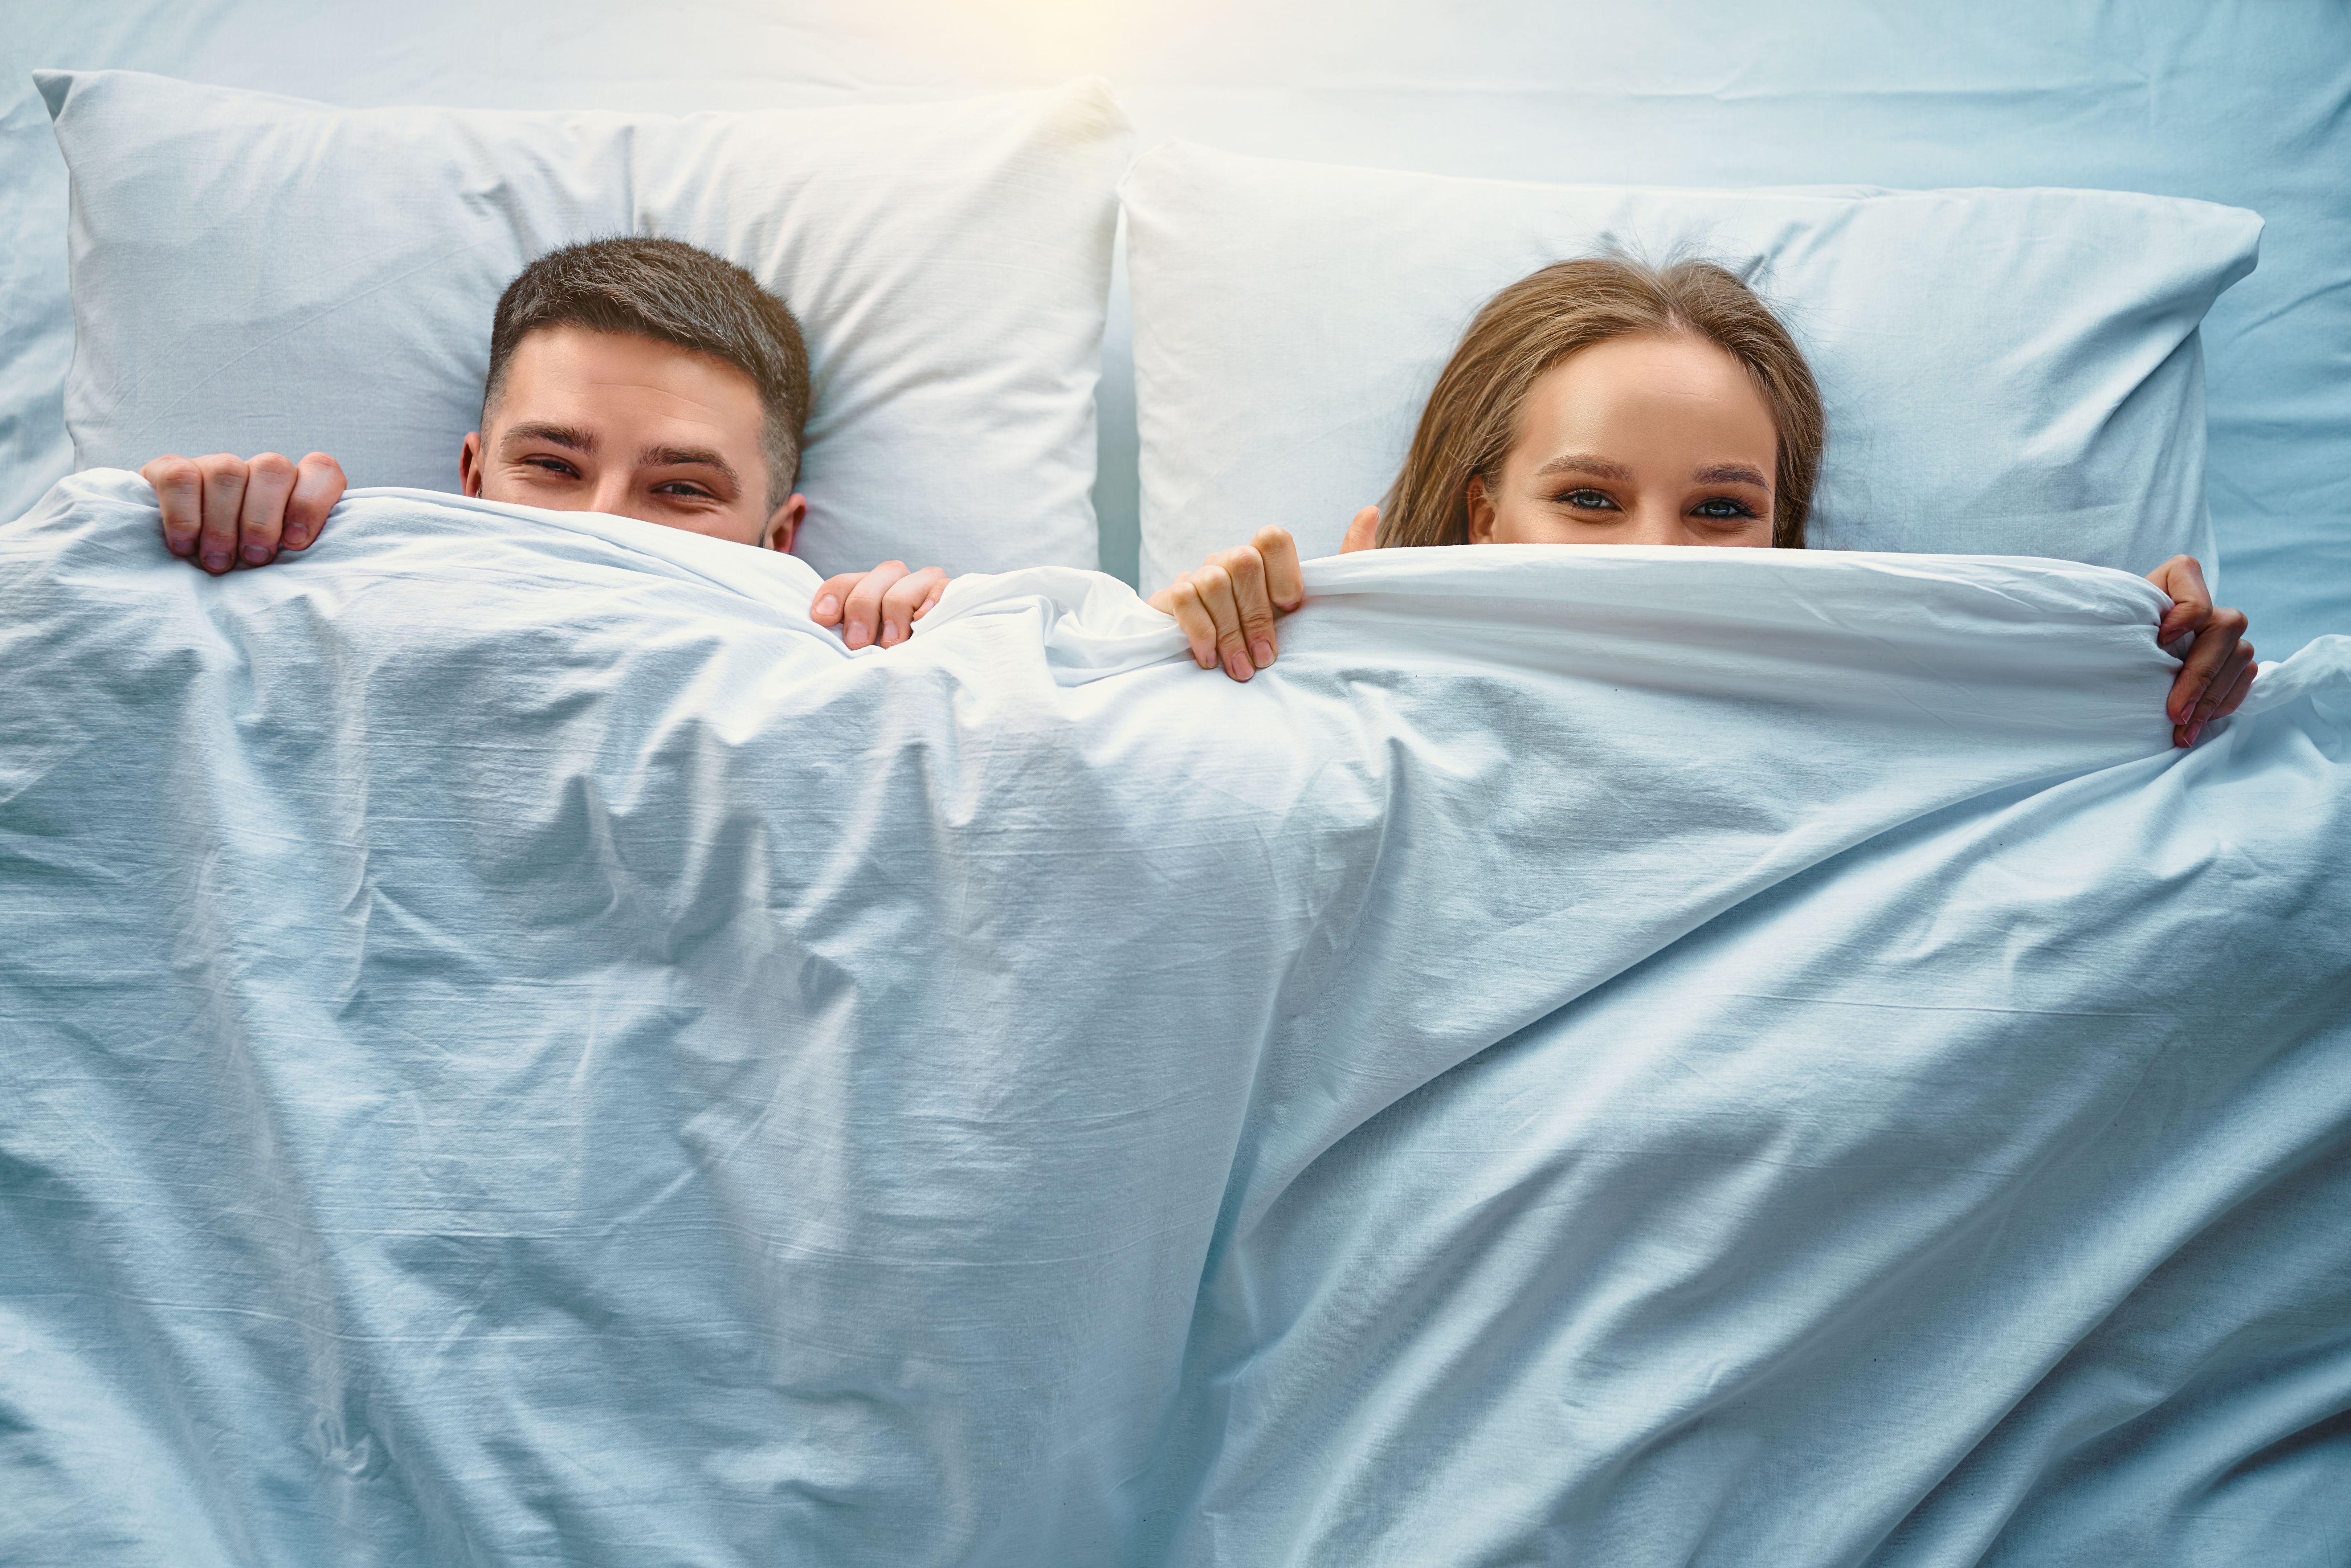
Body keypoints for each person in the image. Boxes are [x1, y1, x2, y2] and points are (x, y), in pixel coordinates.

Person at [1133, 257, 2256, 748]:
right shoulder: (1318, 689)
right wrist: (1228, 656)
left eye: (1719, 511)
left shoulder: (1863, 701)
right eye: (1586, 498)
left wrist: (2123, 659)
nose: (1654, 555)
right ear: (1482, 517)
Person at [140, 236, 947, 657]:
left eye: (682, 489)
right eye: (554, 468)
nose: (601, 523)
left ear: (777, 539)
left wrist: (916, 647)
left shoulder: (859, 664)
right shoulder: (305, 594)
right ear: (473, 477)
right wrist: (194, 558)